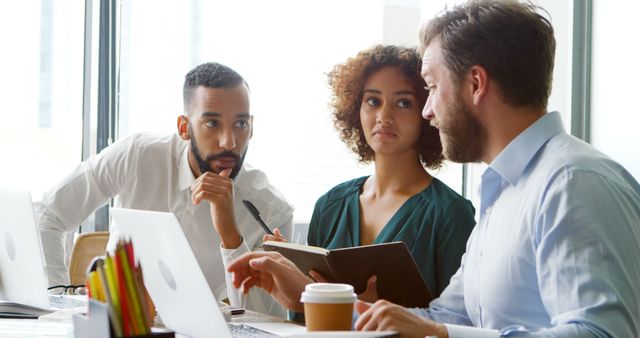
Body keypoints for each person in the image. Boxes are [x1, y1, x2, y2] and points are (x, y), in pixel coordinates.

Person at [230, 1, 640, 337]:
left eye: (429, 86)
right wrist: (311, 296)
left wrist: (443, 335)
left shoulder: (573, 181)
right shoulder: (505, 192)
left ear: (475, 84)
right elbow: (448, 318)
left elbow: (601, 334)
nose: (428, 110)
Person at [35, 62, 294, 315]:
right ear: (184, 127)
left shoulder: (271, 210)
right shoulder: (137, 156)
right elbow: (47, 215)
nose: (229, 142)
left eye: (241, 124)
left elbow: (267, 322)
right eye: (212, 124)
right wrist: (54, 302)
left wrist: (230, 235)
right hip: (116, 326)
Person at [231, 45, 476, 308]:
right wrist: (293, 271)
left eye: (403, 103)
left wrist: (367, 313)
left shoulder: (450, 214)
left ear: (426, 111)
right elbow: (307, 321)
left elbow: (459, 322)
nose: (384, 116)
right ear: (355, 109)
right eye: (373, 101)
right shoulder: (329, 205)